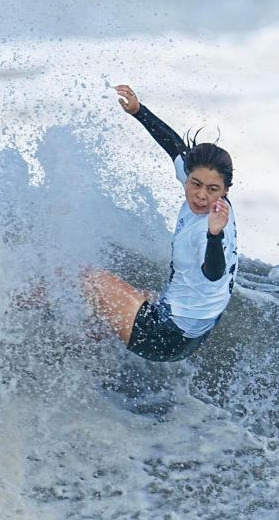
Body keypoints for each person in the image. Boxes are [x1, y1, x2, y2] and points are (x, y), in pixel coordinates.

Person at [81, 84, 238, 362]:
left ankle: (10, 313)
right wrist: (138, 111)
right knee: (128, 298)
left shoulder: (210, 228)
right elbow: (175, 146)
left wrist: (215, 235)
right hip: (189, 329)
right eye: (195, 184)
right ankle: (87, 351)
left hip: (167, 336)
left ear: (225, 190)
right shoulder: (208, 191)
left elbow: (214, 272)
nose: (201, 195)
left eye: (212, 189)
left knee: (87, 278)